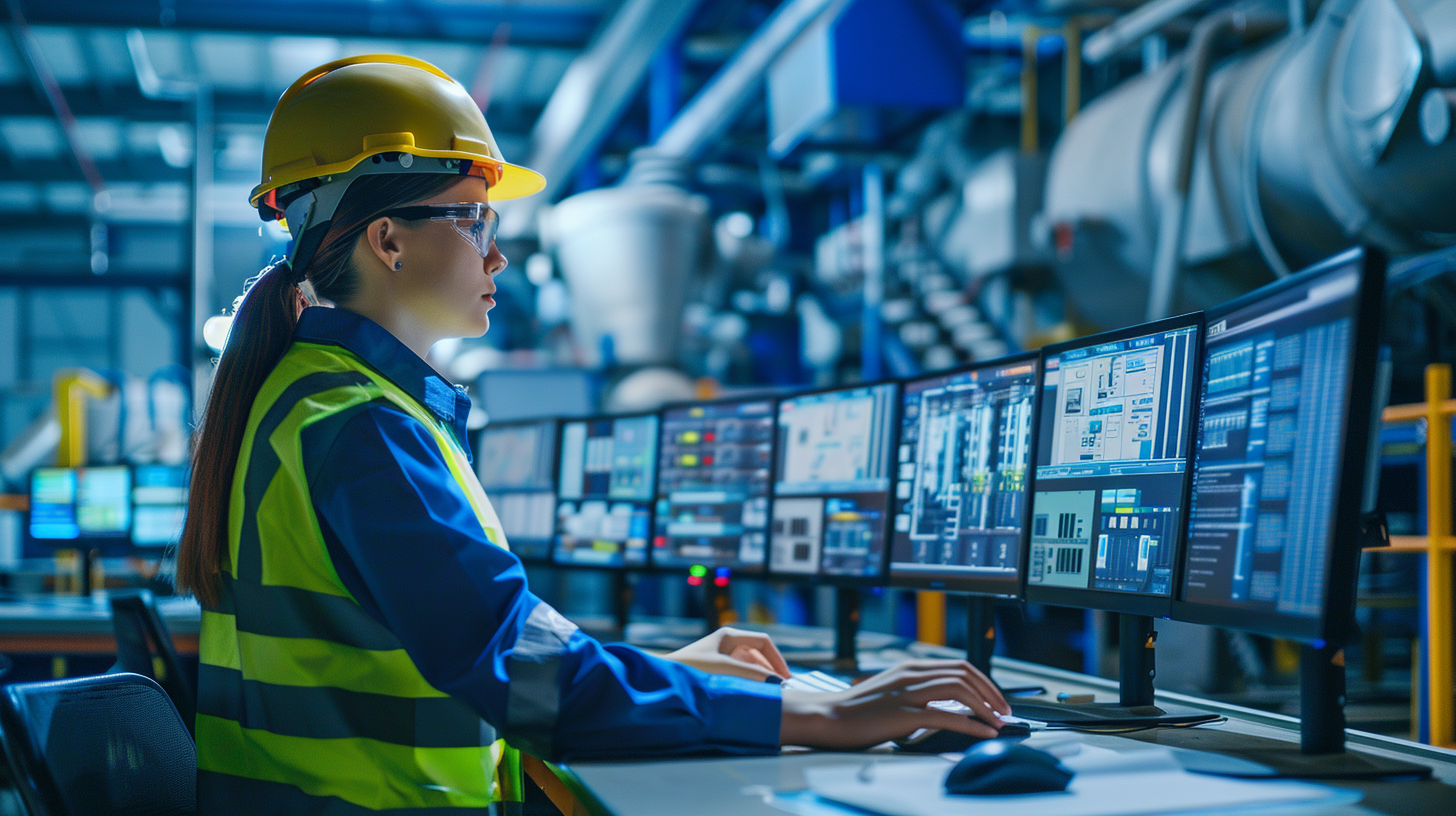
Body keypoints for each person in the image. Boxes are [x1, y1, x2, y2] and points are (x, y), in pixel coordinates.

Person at [176, 55, 1010, 815]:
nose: (495, 257)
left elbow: (492, 658)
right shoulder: (362, 427)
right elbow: (520, 678)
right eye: (473, 220)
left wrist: (675, 678)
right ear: (388, 239)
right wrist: (823, 711)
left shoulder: (311, 397)